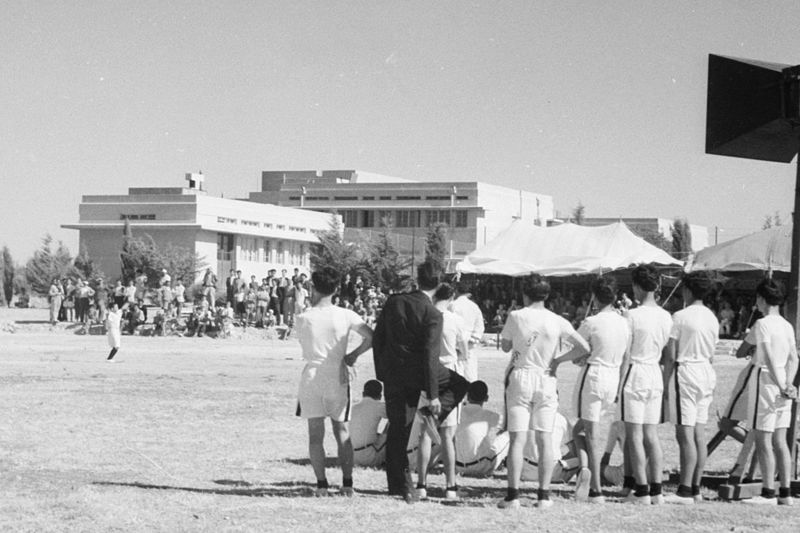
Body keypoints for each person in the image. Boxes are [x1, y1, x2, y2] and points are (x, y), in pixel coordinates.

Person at [372, 260, 469, 503]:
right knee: (460, 384)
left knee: (398, 430)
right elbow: (429, 354)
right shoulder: (433, 313)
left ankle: (398, 484)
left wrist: (381, 372)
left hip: (394, 372)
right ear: (438, 284)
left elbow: (378, 338)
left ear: (418, 278)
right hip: (419, 372)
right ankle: (431, 413)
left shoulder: (394, 302)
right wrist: (434, 395)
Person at [498, 274, 589, 509]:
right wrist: (559, 360)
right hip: (546, 377)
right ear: (547, 295)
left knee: (517, 438)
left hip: (521, 375)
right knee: (545, 438)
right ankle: (543, 495)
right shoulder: (557, 319)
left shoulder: (516, 316)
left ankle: (513, 495)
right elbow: (583, 347)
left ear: (524, 293)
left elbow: (506, 346)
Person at [295, 266, 374, 497]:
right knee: (342, 430)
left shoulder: (303, 317)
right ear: (337, 288)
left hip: (312, 375)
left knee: (315, 434)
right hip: (337, 374)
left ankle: (321, 484)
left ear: (313, 286)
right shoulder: (346, 314)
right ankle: (347, 483)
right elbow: (371, 336)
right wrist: (353, 355)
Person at [550, 276, 629, 503]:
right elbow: (624, 356)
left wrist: (559, 361)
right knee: (579, 431)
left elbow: (578, 348)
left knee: (591, 435)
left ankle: (595, 489)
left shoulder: (592, 322)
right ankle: (586, 471)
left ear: (594, 297)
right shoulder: (624, 322)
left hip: (594, 376)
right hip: (613, 376)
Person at [740, 279, 798, 505]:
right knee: (780, 439)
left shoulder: (762, 324)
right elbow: (793, 357)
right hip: (784, 379)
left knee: (763, 439)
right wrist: (789, 384)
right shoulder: (786, 325)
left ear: (762, 299)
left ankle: (768, 492)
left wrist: (781, 384)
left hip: (765, 379)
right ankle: (785, 492)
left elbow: (768, 357)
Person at [618, 264, 672, 505]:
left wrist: (618, 385)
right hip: (655, 373)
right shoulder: (665, 316)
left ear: (637, 287)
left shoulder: (632, 315)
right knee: (651, 434)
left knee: (635, 435)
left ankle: (641, 488)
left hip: (636, 372)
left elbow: (626, 354)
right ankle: (656, 489)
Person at [663, 272, 719, 504]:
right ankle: (695, 486)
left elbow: (671, 355)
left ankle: (685, 489)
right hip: (706, 370)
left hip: (685, 370)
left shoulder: (680, 316)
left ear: (687, 290)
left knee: (684, 433)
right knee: (698, 432)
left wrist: (666, 384)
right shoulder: (712, 317)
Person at [415, 283, 469, 501]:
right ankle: (450, 486)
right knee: (448, 435)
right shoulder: (455, 320)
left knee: (425, 433)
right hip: (450, 371)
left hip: (427, 374)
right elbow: (464, 351)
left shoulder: (424, 316)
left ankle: (421, 484)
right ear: (452, 297)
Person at [454, 380, 509, 477]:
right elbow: (508, 425)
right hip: (480, 466)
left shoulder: (457, 413)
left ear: (467, 395)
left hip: (457, 466)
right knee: (509, 436)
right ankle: (509, 463)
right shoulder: (490, 416)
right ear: (486, 398)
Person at [449, 280, 485, 382]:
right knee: (470, 378)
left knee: (456, 378)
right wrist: (471, 341)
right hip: (470, 347)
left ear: (456, 291)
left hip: (455, 347)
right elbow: (479, 327)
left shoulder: (452, 305)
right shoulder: (474, 306)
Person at [351, 380, 388, 468]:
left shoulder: (353, 407)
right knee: (395, 421)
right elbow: (396, 416)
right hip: (369, 457)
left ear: (363, 394)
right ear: (380, 396)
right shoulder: (378, 406)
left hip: (352, 457)